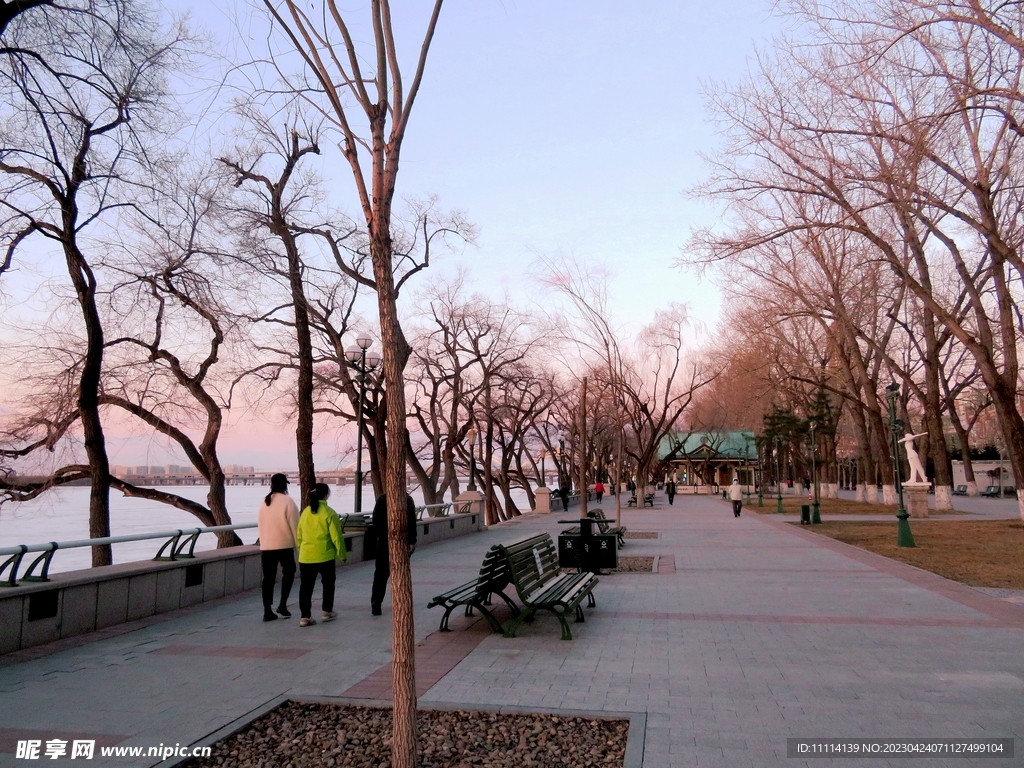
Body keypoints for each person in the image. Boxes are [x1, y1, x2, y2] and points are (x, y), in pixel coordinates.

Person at [296, 483, 346, 627]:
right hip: (325, 555)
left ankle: (305, 617)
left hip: (306, 556)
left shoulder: (305, 513)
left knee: (305, 587)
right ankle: (327, 611)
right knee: (328, 584)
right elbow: (337, 536)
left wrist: (302, 550)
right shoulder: (329, 513)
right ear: (326, 495)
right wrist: (342, 554)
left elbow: (299, 535)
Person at [257, 473, 299, 622]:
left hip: (267, 546)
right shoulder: (288, 501)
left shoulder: (265, 501)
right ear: (285, 485)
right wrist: (298, 546)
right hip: (284, 545)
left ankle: (267, 611)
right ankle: (282, 604)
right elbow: (295, 527)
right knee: (289, 573)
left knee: (268, 579)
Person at [371, 490, 417, 616]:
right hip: (401, 543)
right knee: (401, 573)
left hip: (383, 543)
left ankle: (376, 602)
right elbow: (412, 522)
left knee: (380, 574)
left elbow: (375, 521)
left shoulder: (381, 499)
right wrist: (412, 541)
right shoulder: (407, 500)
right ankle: (401, 602)